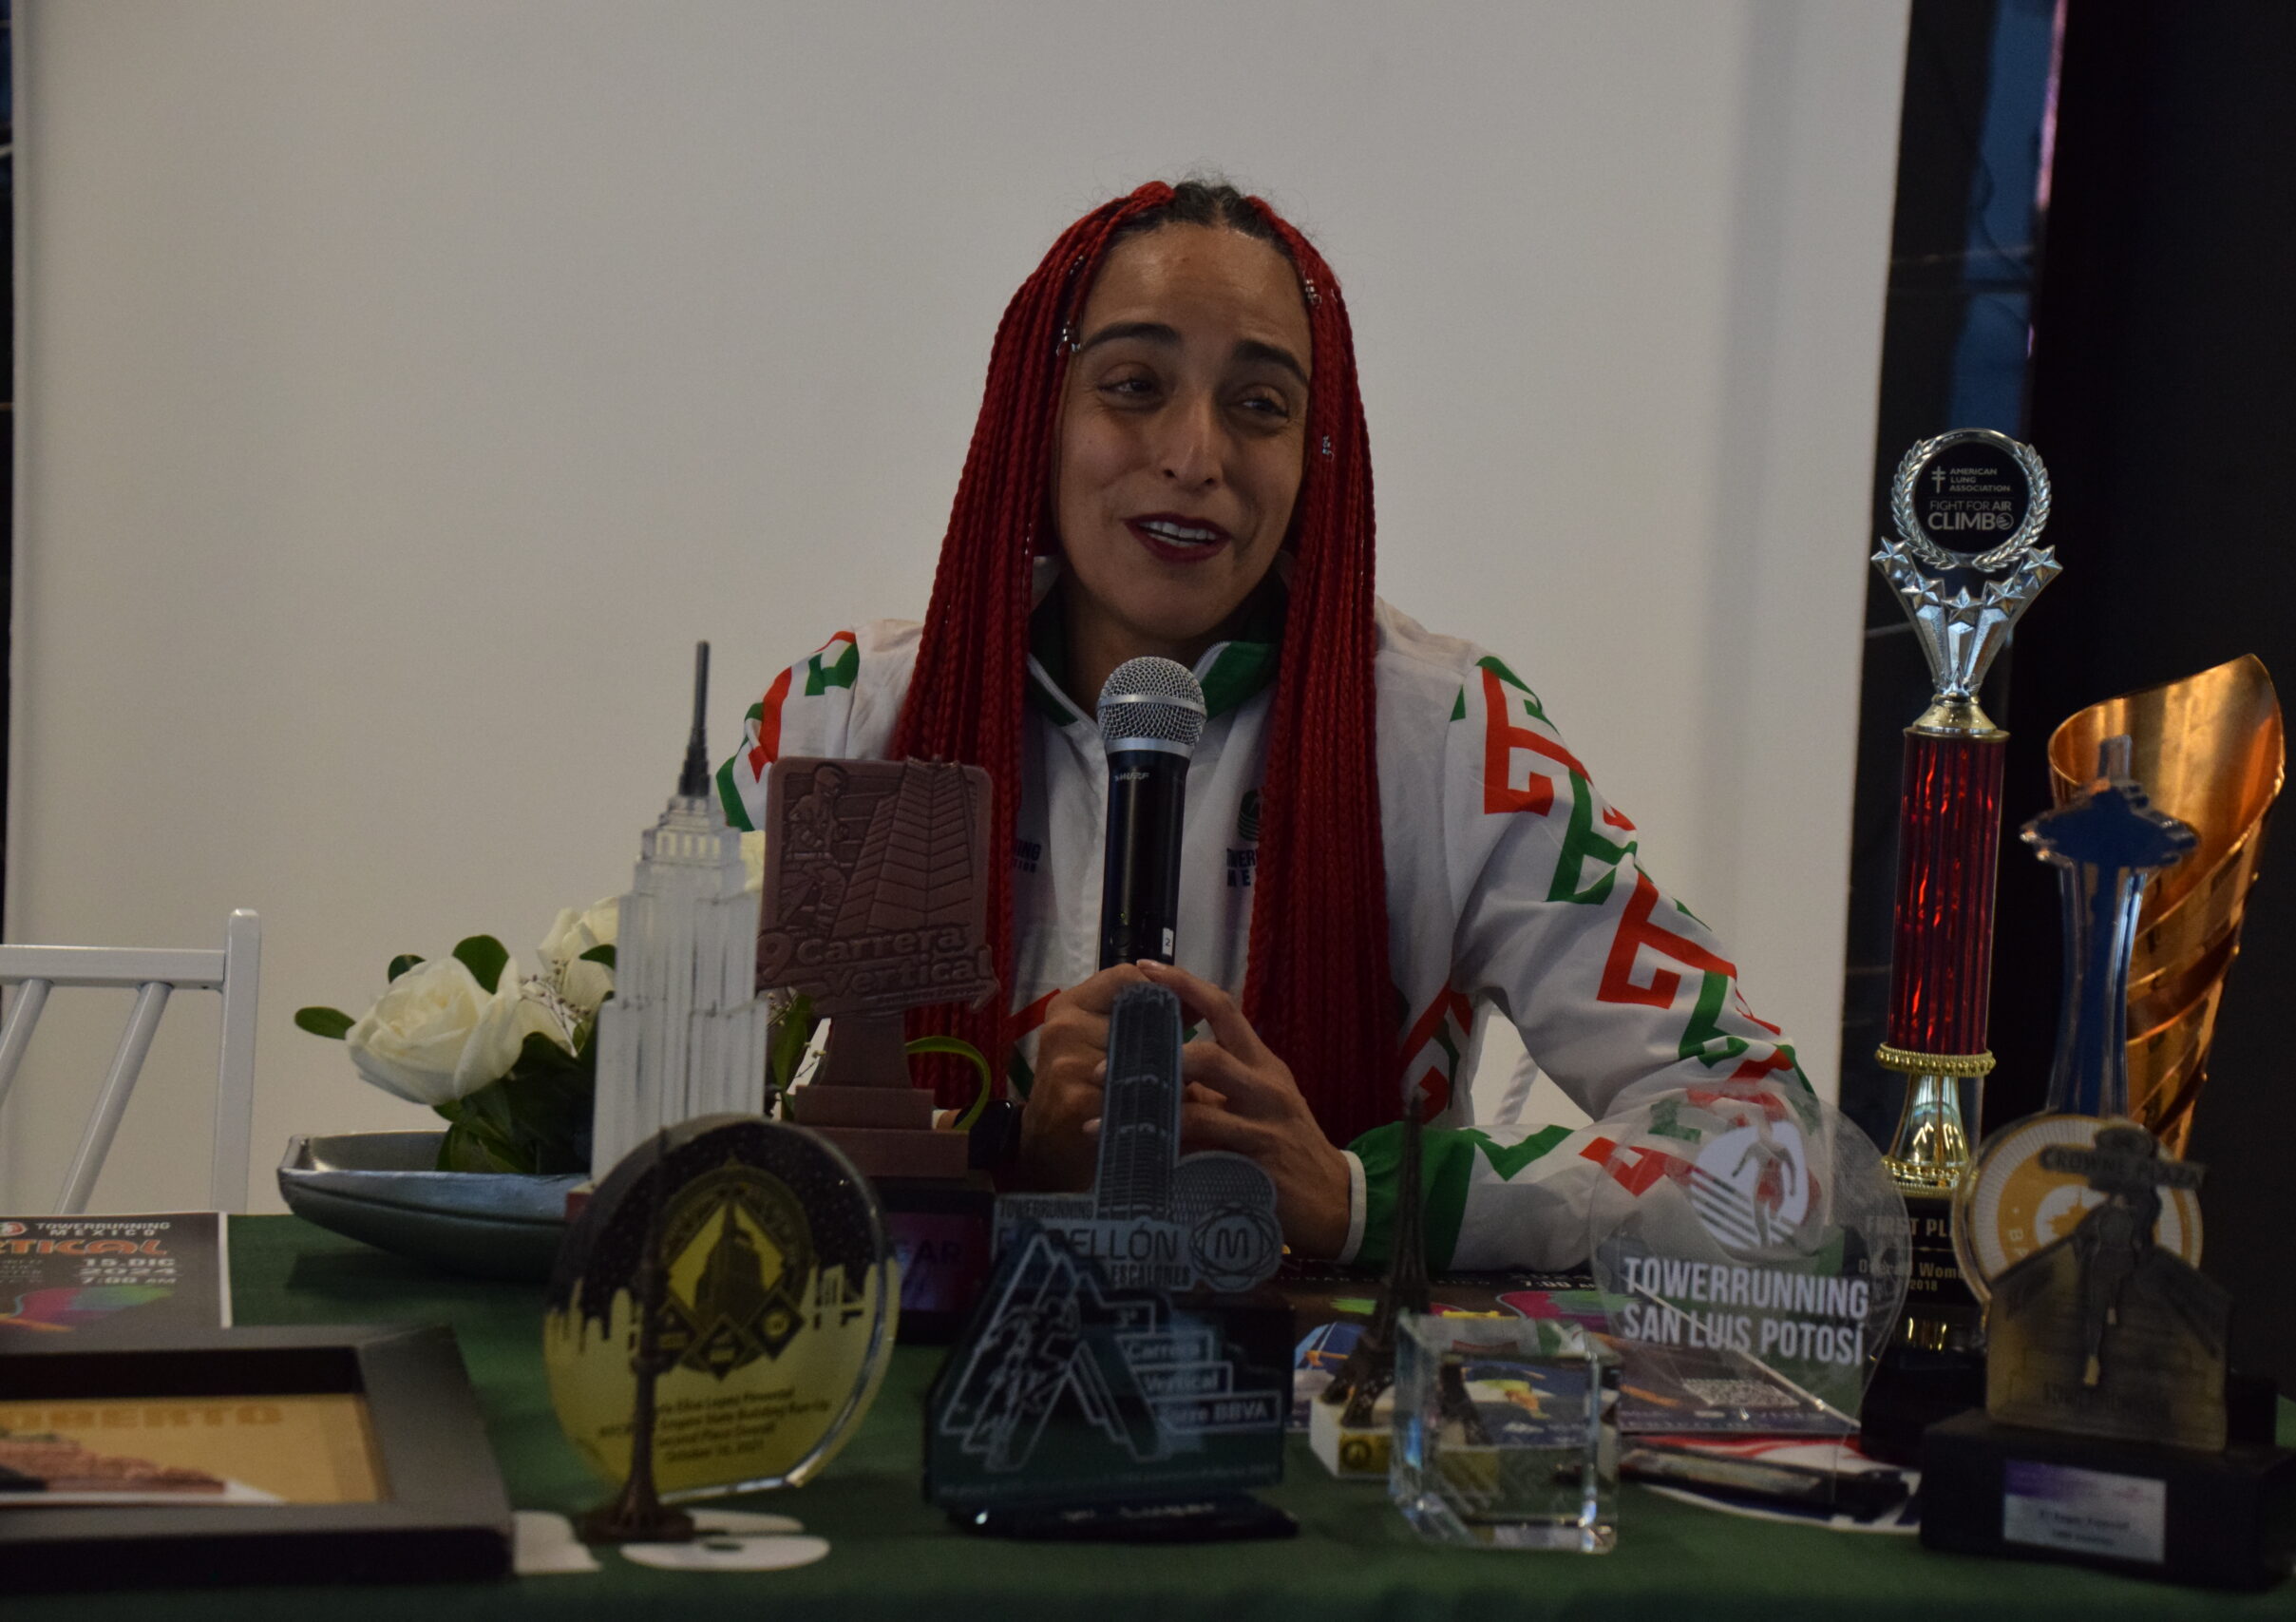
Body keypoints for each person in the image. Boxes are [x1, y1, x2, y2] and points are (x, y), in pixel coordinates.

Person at [717, 180, 1809, 1272]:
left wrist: (1365, 1194)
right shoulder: (845, 718)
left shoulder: (1446, 738)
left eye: (1259, 405)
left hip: (1310, 1374)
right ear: (1035, 416)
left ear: (1315, 453)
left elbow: (1769, 1144)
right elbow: (648, 1088)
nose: (1196, 455)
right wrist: (996, 1155)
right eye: (1133, 386)